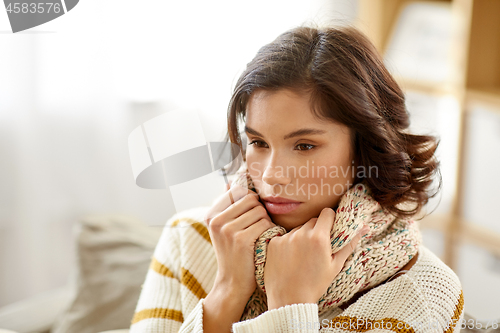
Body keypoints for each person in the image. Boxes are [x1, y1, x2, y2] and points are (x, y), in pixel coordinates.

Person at [130, 25, 465, 333]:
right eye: (259, 142)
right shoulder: (190, 239)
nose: (272, 175)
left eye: (305, 146)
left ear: (364, 148)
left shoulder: (425, 293)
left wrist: (290, 307)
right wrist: (228, 290)